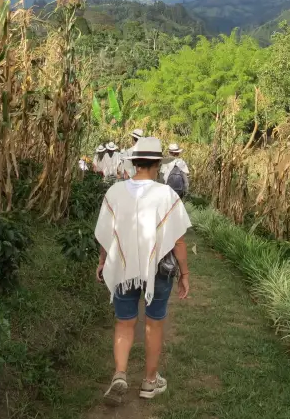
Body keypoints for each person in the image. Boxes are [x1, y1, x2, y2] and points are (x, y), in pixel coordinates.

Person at [95, 136, 191, 406]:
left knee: (125, 323)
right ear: (158, 163)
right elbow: (178, 240)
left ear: (134, 162)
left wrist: (103, 262)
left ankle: (120, 374)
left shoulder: (114, 192)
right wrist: (184, 274)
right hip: (158, 271)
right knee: (153, 323)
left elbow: (106, 235)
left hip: (124, 271)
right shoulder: (166, 195)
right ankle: (149, 382)